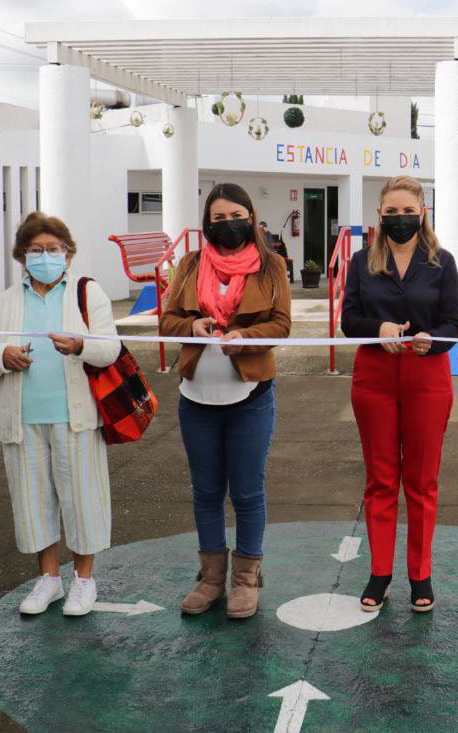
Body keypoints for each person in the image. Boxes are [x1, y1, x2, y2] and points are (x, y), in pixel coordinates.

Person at [0, 212, 122, 617]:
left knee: (81, 500)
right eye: (36, 250)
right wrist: (2, 356)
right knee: (33, 501)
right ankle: (49, 579)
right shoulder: (7, 302)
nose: (45, 256)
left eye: (53, 249)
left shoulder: (87, 295)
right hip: (23, 420)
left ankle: (84, 581)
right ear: (22, 256)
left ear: (68, 255)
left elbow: (110, 349)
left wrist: (79, 347)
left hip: (75, 418)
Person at [160, 183, 290, 619]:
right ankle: (212, 578)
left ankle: (245, 580)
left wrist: (245, 337)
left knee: (248, 492)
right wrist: (192, 325)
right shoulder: (191, 264)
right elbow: (167, 319)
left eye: (235, 214)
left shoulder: (271, 266)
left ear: (251, 218)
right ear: (206, 224)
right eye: (217, 218)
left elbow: (281, 324)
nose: (227, 224)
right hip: (196, 398)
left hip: (250, 397)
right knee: (207, 491)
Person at [342, 175, 458, 613]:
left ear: (422, 212)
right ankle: (380, 571)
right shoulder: (361, 262)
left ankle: (420, 573)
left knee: (422, 481)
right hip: (374, 377)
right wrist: (378, 330)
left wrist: (434, 338)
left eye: (407, 211)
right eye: (391, 212)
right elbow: (348, 320)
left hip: (427, 376)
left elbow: (455, 325)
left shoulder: (442, 262)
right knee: (381, 480)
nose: (399, 219)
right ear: (379, 215)